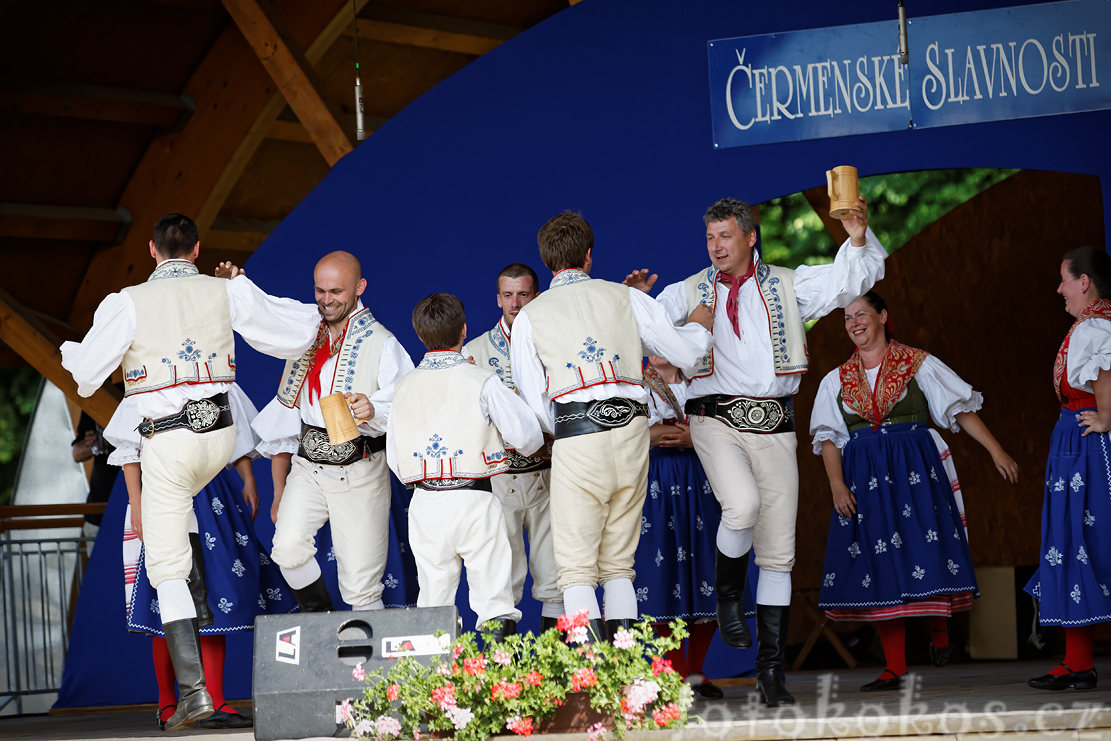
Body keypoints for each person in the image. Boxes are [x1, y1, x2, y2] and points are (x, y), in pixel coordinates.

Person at [59, 213, 317, 730]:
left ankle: (193, 692)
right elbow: (296, 331)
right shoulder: (225, 292)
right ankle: (307, 630)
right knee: (211, 548)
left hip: (169, 444)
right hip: (220, 436)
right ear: (196, 250)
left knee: (168, 565)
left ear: (152, 251)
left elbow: (85, 375)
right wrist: (238, 287)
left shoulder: (128, 302)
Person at [626, 195, 885, 706]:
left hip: (775, 423)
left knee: (778, 554)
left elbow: (850, 281)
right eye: (709, 238)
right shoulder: (692, 289)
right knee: (740, 506)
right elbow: (647, 327)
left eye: (725, 236)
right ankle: (726, 600)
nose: (716, 246)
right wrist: (636, 301)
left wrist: (856, 238)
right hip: (713, 418)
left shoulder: (790, 284)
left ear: (750, 237)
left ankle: (771, 673)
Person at [511, 211, 713, 642]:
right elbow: (685, 351)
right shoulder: (627, 298)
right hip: (632, 436)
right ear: (588, 255)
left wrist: (569, 423)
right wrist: (700, 325)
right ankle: (624, 677)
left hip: (578, 438)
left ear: (547, 262)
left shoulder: (530, 316)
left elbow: (534, 401)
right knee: (620, 563)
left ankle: (591, 687)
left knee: (577, 567)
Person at [810, 291, 1018, 691]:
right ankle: (895, 667)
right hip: (865, 478)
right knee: (881, 561)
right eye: (847, 318)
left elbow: (959, 410)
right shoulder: (835, 380)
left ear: (883, 316)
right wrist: (836, 485)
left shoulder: (917, 364)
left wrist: (996, 450)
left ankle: (939, 627)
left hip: (915, 470)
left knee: (924, 549)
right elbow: (829, 439)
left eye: (862, 314)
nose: (854, 323)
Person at [108, 383, 297, 729]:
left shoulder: (219, 379)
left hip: (213, 495)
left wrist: (248, 480)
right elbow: (129, 448)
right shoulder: (148, 383)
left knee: (213, 594)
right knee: (164, 596)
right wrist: (137, 502)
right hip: (162, 489)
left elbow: (235, 431)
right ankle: (168, 704)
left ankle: (216, 698)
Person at [253, 250, 413, 613]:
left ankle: (362, 669)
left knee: (361, 586)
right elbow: (265, 316)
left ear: (360, 287)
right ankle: (320, 619)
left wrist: (373, 409)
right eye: (320, 291)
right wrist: (238, 288)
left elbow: (407, 402)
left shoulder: (382, 343)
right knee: (288, 550)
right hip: (308, 466)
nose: (326, 300)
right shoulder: (305, 334)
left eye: (336, 292)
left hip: (359, 468)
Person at [387, 292, 544, 638]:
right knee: (494, 600)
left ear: (418, 333)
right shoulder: (482, 380)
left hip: (426, 502)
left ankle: (438, 690)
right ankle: (503, 688)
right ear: (464, 331)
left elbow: (396, 462)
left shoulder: (403, 387)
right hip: (475, 499)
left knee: (434, 602)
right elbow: (529, 436)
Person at [1024, 247, 1111, 691]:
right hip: (1074, 440)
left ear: (1084, 282)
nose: (1059, 288)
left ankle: (1078, 661)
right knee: (1076, 539)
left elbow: (1103, 376)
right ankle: (1077, 660)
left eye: (1063, 279)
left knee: (1080, 538)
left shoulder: (1094, 326)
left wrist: (1105, 417)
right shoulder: (1091, 324)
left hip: (1084, 442)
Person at [463, 263, 563, 631]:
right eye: (508, 294)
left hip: (548, 475)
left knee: (556, 575)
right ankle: (508, 682)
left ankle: (557, 677)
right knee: (501, 579)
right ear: (498, 298)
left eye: (523, 294)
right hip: (500, 481)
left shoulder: (553, 339)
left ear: (536, 296)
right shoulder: (475, 350)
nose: (515, 302)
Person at [637, 356, 734, 700]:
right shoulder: (637, 383)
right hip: (658, 484)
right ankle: (675, 673)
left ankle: (696, 670)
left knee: (705, 573)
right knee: (664, 576)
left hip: (704, 479)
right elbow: (634, 434)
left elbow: (727, 429)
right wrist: (665, 433)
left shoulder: (702, 381)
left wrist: (698, 437)